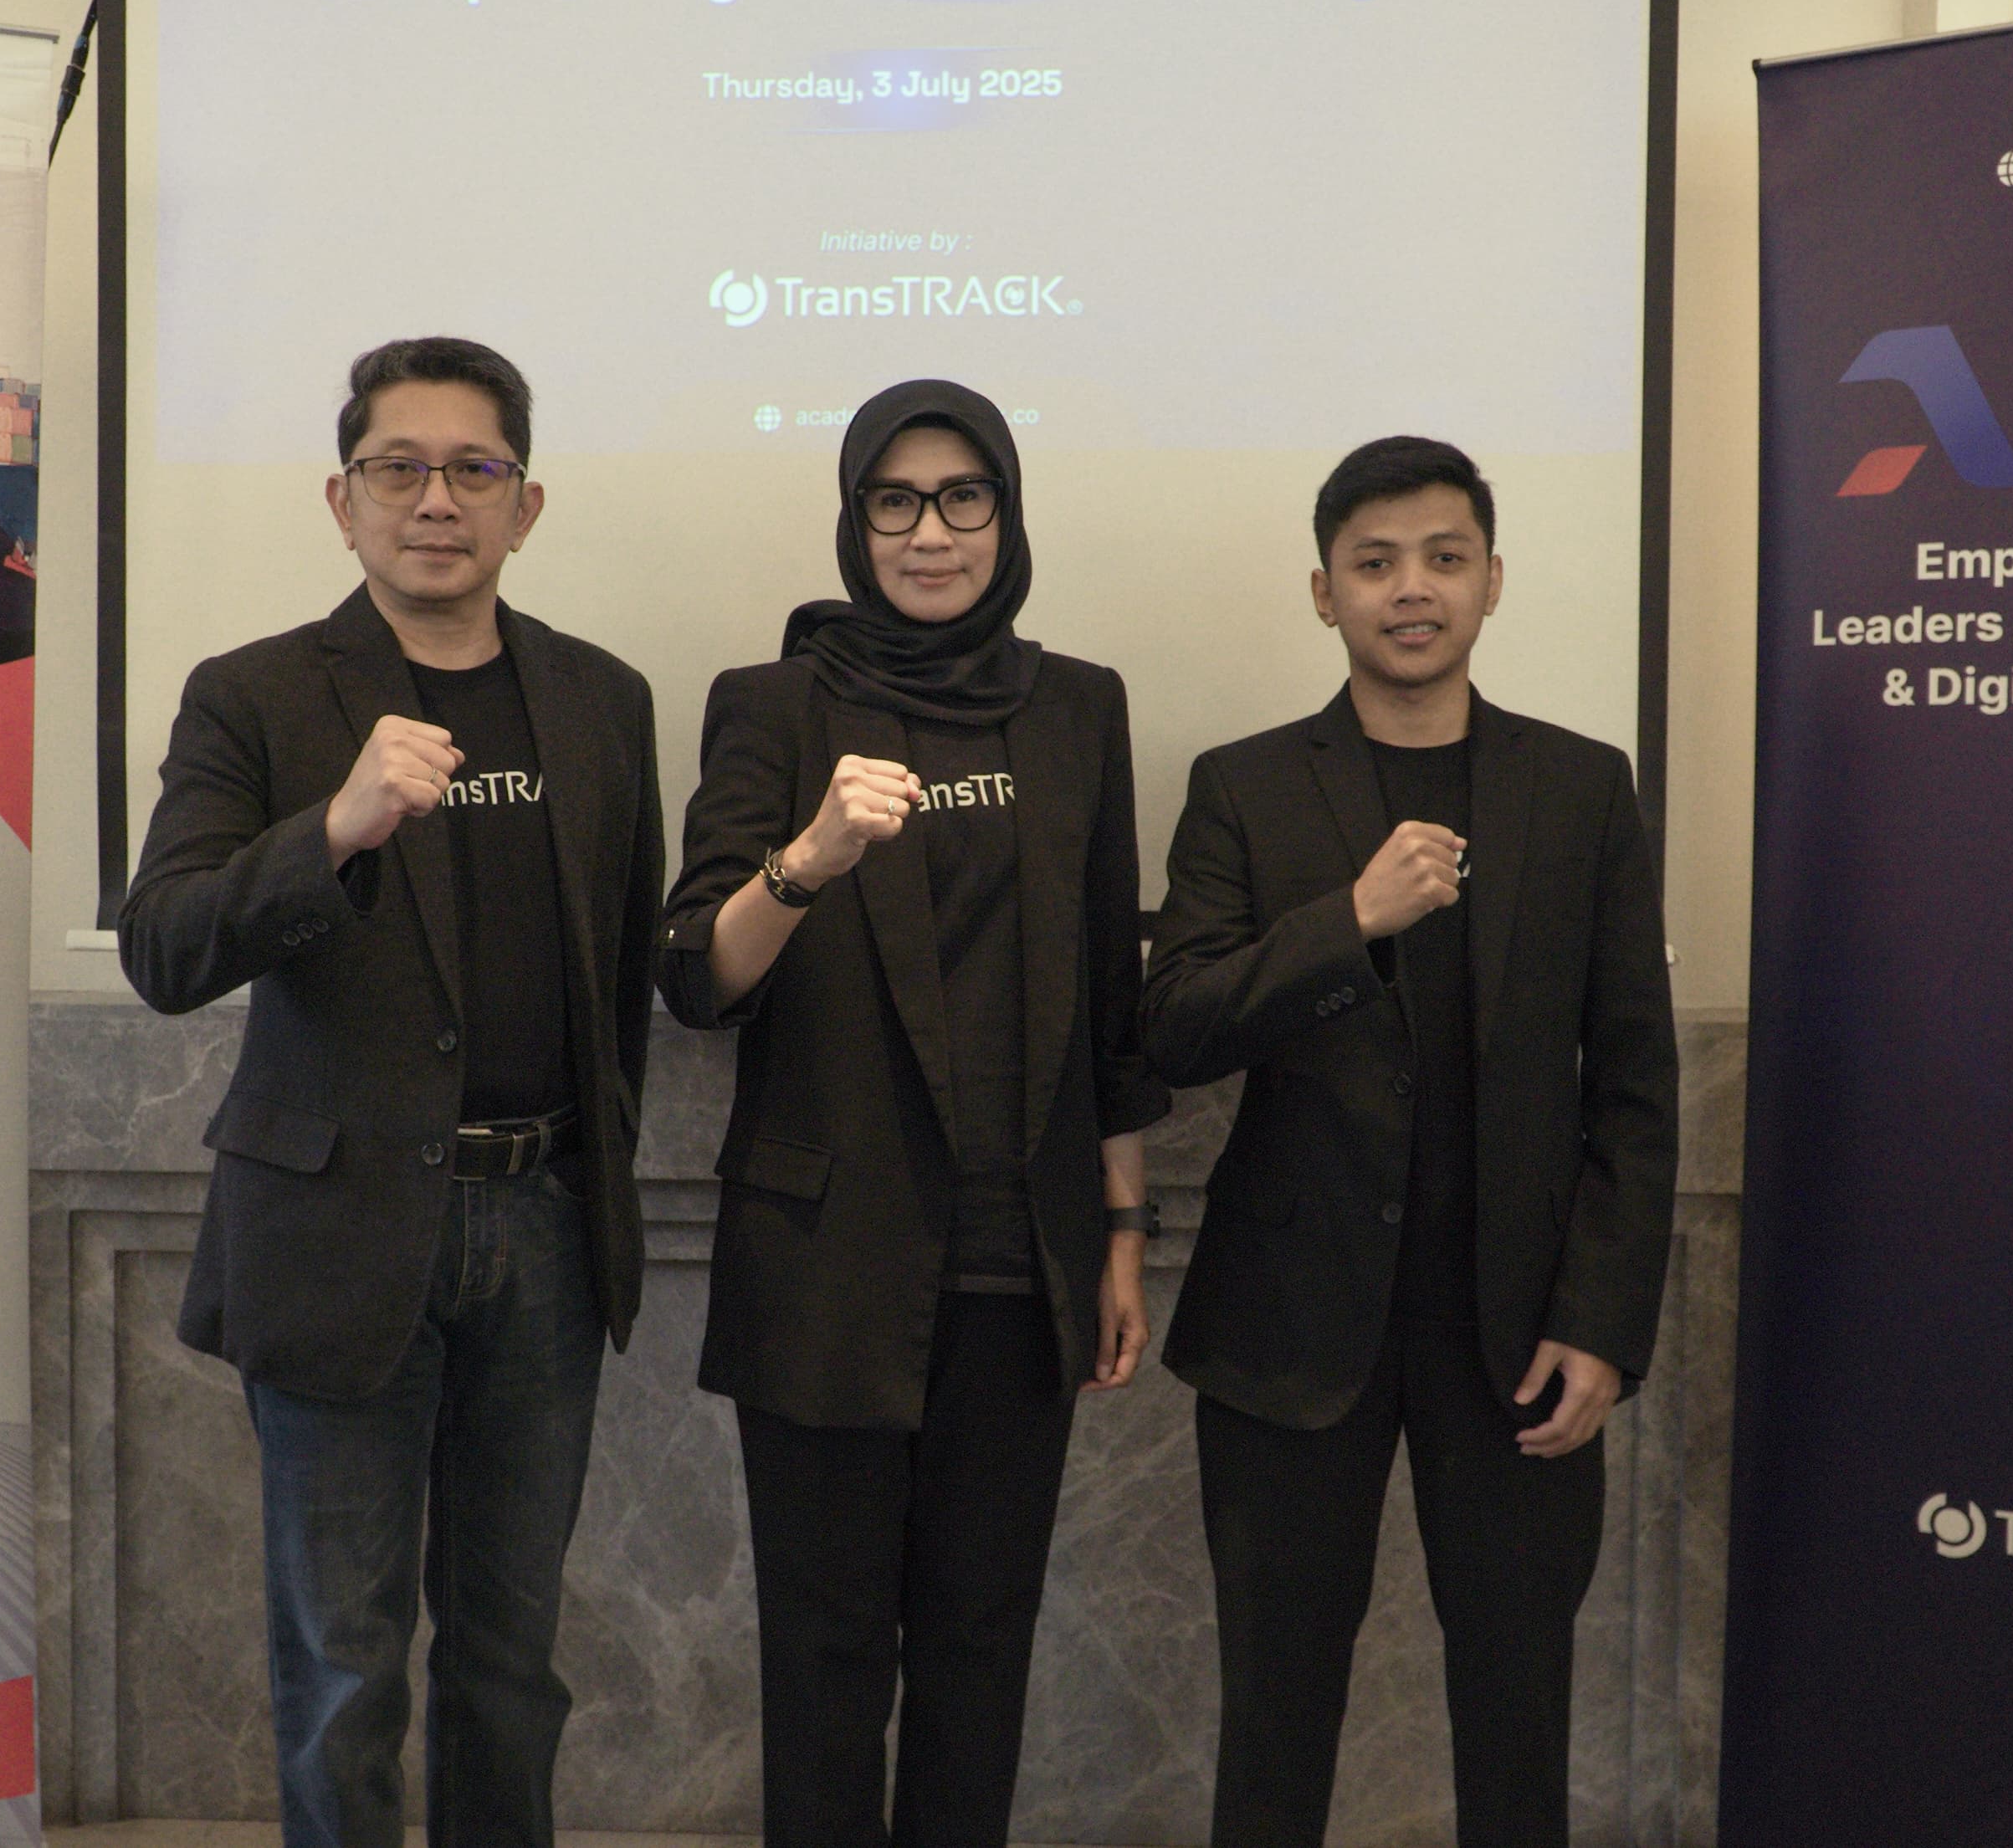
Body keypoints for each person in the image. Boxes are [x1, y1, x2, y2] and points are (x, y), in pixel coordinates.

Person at [116, 337, 665, 1848]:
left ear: (525, 506)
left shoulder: (602, 700)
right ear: (342, 499)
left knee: (511, 1662)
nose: (437, 500)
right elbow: (165, 946)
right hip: (338, 1231)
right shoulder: (255, 696)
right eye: (399, 468)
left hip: (544, 1225)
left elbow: (622, 967)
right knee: (344, 1665)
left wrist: (594, 1176)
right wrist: (337, 829)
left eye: (474, 470)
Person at [658, 378, 1170, 1848]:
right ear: (854, 521)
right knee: (825, 1658)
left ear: (1006, 516)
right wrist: (807, 859)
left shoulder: (1078, 706)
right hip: (829, 1256)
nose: (929, 533)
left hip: (1023, 1258)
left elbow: (1110, 998)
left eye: (963, 499)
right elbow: (698, 978)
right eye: (894, 502)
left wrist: (1121, 1231)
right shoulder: (777, 705)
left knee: (980, 1645)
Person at [1143, 436, 1677, 1847]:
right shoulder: (1245, 785)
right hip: (1288, 1325)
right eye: (1374, 564)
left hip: (1521, 1334)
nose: (1411, 589)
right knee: (1274, 1714)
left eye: (1444, 558)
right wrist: (1349, 923)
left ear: (1493, 581)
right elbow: (1174, 1027)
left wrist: (1604, 1321)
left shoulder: (1583, 788)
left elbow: (1635, 1084)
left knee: (1519, 1711)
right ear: (1326, 593)